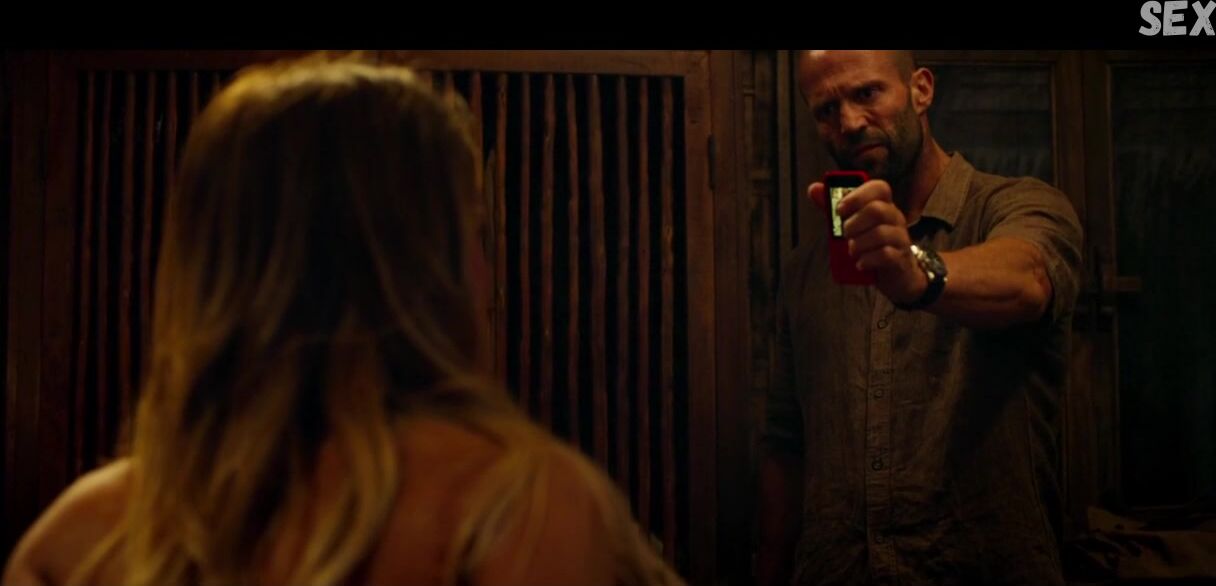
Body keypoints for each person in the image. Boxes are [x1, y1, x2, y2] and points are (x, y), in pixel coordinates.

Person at [3, 54, 683, 586]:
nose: (489, 275)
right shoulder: (510, 509)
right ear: (417, 265)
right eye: (472, 233)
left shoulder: (81, 537)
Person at [756, 50, 1083, 586]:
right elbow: (786, 441)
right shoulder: (806, 270)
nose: (849, 123)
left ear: (921, 90)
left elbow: (1027, 278)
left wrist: (920, 272)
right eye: (826, 110)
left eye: (867, 93)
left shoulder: (1017, 205)